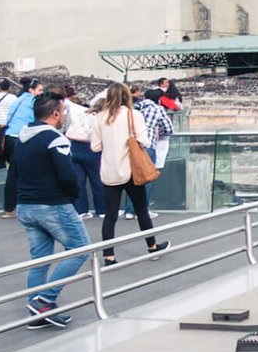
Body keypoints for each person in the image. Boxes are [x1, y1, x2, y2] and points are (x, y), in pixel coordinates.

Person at [12, 94, 89, 328]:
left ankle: (36, 312)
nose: (64, 115)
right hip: (53, 204)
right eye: (63, 111)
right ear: (55, 114)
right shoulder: (56, 139)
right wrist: (73, 196)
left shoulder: (22, 137)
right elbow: (68, 175)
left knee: (40, 259)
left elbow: (15, 171)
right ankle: (44, 301)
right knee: (81, 249)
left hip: (26, 204)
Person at [90, 82, 169, 265]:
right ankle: (152, 247)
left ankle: (109, 256)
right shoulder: (134, 115)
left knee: (110, 215)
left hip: (109, 171)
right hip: (131, 170)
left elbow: (95, 146)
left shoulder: (100, 117)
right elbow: (144, 141)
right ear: (128, 96)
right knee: (141, 210)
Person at [1, 78, 45, 218]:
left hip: (8, 137)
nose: (41, 93)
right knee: (20, 174)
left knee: (13, 174)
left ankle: (11, 207)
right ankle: (13, 207)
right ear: (31, 90)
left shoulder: (17, 100)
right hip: (21, 138)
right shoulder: (33, 102)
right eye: (39, 90)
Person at [62, 86, 105, 218]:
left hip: (74, 148)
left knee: (79, 181)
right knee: (97, 181)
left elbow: (69, 131)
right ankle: (102, 210)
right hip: (91, 150)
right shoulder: (100, 118)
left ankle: (81, 210)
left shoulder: (82, 115)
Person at [132, 85, 174, 212]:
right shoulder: (157, 109)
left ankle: (130, 210)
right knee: (147, 178)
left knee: (133, 178)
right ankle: (143, 210)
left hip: (133, 146)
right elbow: (169, 128)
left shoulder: (134, 108)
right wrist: (158, 131)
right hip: (148, 145)